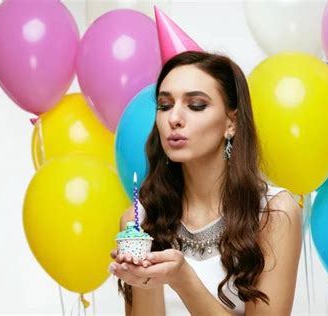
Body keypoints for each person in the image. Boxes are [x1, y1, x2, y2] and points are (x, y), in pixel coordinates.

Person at [109, 51, 302, 315]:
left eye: (196, 105)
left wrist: (183, 279)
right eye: (165, 105)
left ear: (231, 123)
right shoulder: (140, 219)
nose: (173, 118)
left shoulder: (273, 213)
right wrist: (147, 282)